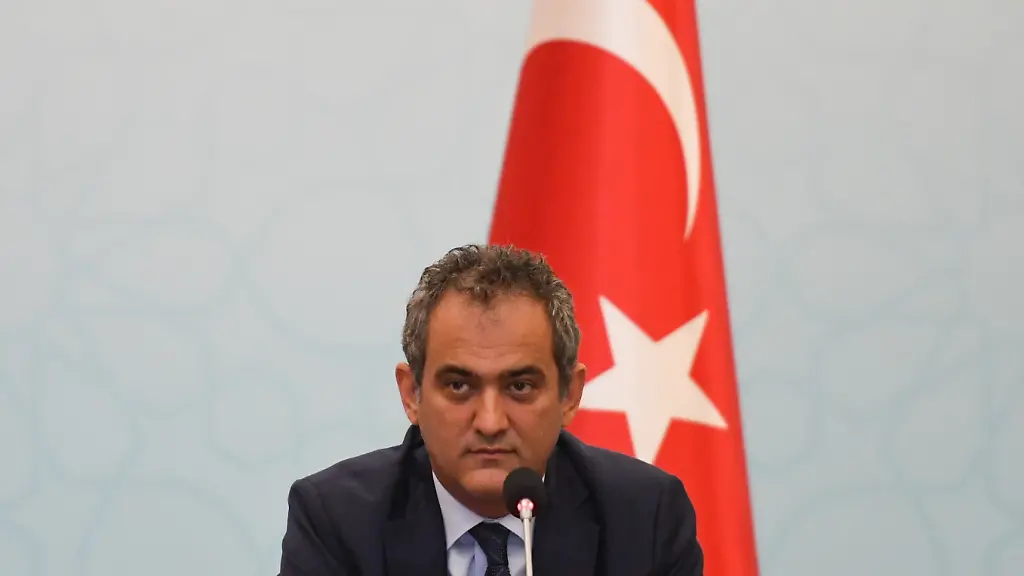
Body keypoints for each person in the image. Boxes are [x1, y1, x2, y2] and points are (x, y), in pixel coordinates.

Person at [277, 244, 704, 576]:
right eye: (459, 386)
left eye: (520, 387)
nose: (490, 422)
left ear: (569, 395)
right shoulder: (338, 520)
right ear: (412, 395)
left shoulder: (644, 518)